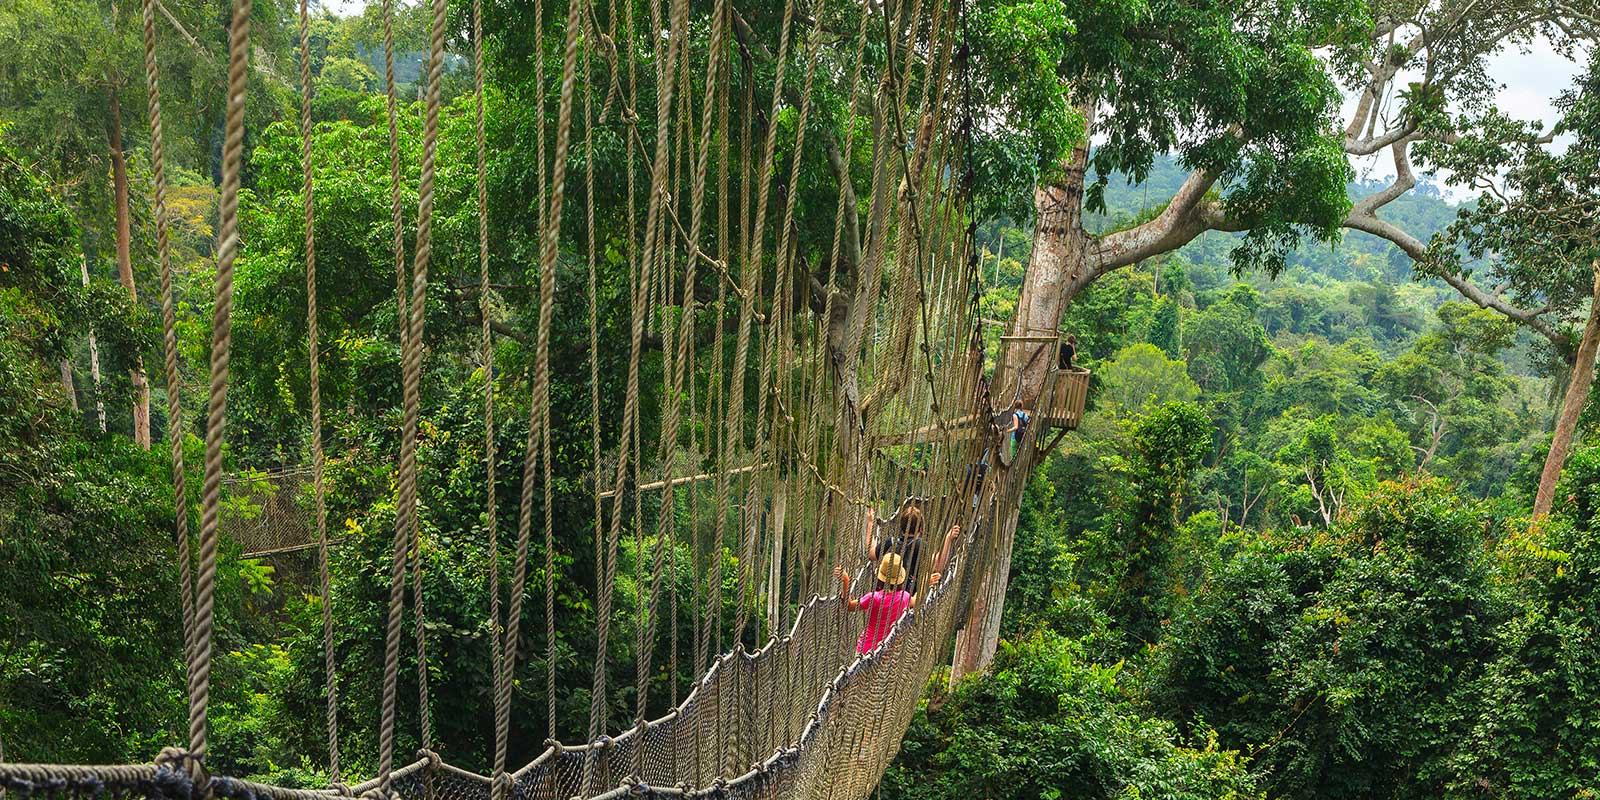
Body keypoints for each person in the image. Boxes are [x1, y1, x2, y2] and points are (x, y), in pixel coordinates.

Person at [835, 553, 941, 655]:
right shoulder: (904, 597)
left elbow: (848, 606)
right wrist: (926, 583)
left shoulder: (873, 598)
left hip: (865, 650)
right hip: (887, 652)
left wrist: (846, 581)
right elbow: (916, 600)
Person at [863, 504, 961, 594]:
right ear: (920, 530)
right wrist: (948, 539)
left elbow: (870, 553)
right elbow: (937, 567)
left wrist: (870, 523)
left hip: (884, 599)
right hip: (907, 603)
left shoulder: (891, 542)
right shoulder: (920, 545)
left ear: (902, 526)